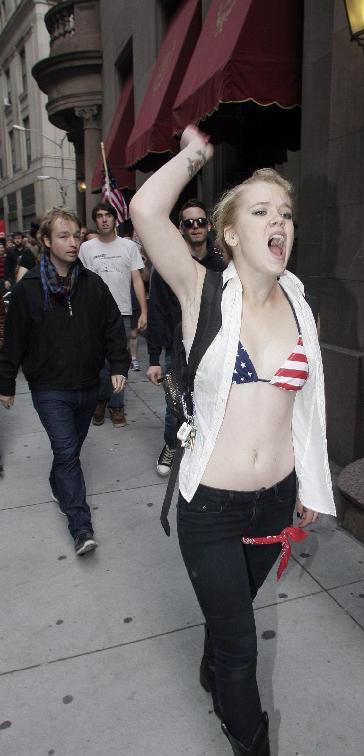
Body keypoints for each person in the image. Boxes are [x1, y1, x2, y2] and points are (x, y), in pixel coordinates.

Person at [130, 125, 335, 756]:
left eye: (285, 213)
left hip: (274, 503)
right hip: (210, 510)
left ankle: (216, 656)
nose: (278, 224)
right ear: (226, 231)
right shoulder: (199, 292)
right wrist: (190, 158)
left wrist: (309, 487)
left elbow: (306, 409)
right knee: (242, 653)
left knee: (232, 624)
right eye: (260, 212)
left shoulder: (302, 306)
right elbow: (147, 215)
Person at [0, 208, 129, 554]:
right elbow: (13, 340)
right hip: (49, 388)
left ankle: (58, 482)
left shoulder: (91, 284)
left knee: (71, 449)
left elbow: (113, 326)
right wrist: (6, 382)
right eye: (63, 236)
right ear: (45, 241)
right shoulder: (29, 290)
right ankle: (81, 526)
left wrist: (118, 363)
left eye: (76, 235)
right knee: (67, 451)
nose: (73, 243)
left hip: (88, 384)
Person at [146, 198, 225, 477]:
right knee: (176, 406)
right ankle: (172, 445)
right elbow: (156, 312)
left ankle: (191, 447)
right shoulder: (166, 266)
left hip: (215, 347)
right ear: (180, 228)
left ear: (209, 225)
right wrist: (154, 358)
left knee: (207, 405)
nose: (195, 227)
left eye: (200, 221)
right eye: (189, 223)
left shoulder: (223, 265)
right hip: (178, 351)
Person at [79, 202, 148, 426]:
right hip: (93, 315)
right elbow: (80, 282)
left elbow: (137, 279)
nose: (104, 219)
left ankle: (117, 406)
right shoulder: (86, 249)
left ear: (114, 219)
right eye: (99, 216)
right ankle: (100, 401)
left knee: (119, 361)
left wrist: (143, 310)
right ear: (95, 221)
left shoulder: (128, 247)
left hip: (123, 312)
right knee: (98, 362)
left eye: (108, 215)